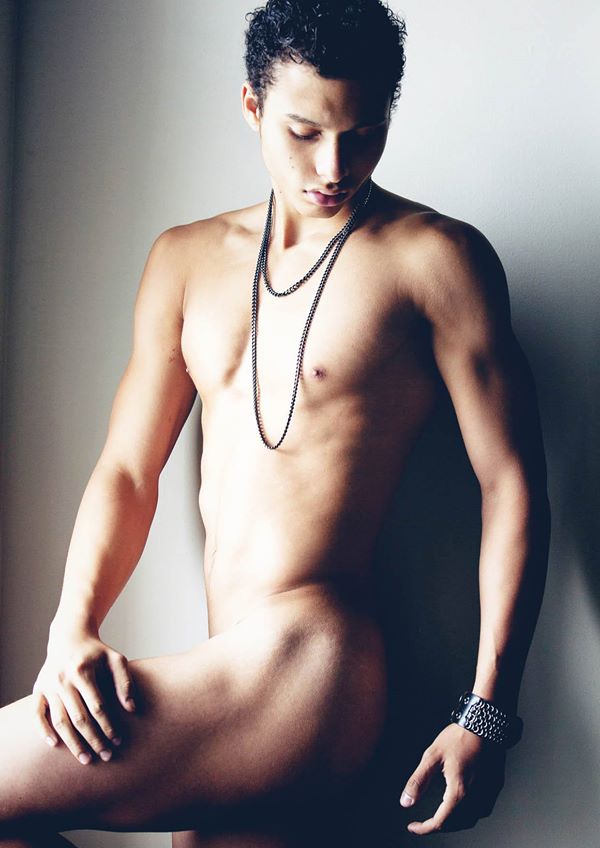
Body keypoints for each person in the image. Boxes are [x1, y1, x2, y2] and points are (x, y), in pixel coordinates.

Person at [0, 0, 551, 846]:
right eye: (305, 132)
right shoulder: (184, 260)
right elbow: (128, 470)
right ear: (252, 107)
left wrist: (487, 713)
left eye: (364, 134)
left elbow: (511, 486)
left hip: (312, 663)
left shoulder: (435, 259)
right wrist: (73, 624)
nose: (334, 165)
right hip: (226, 668)